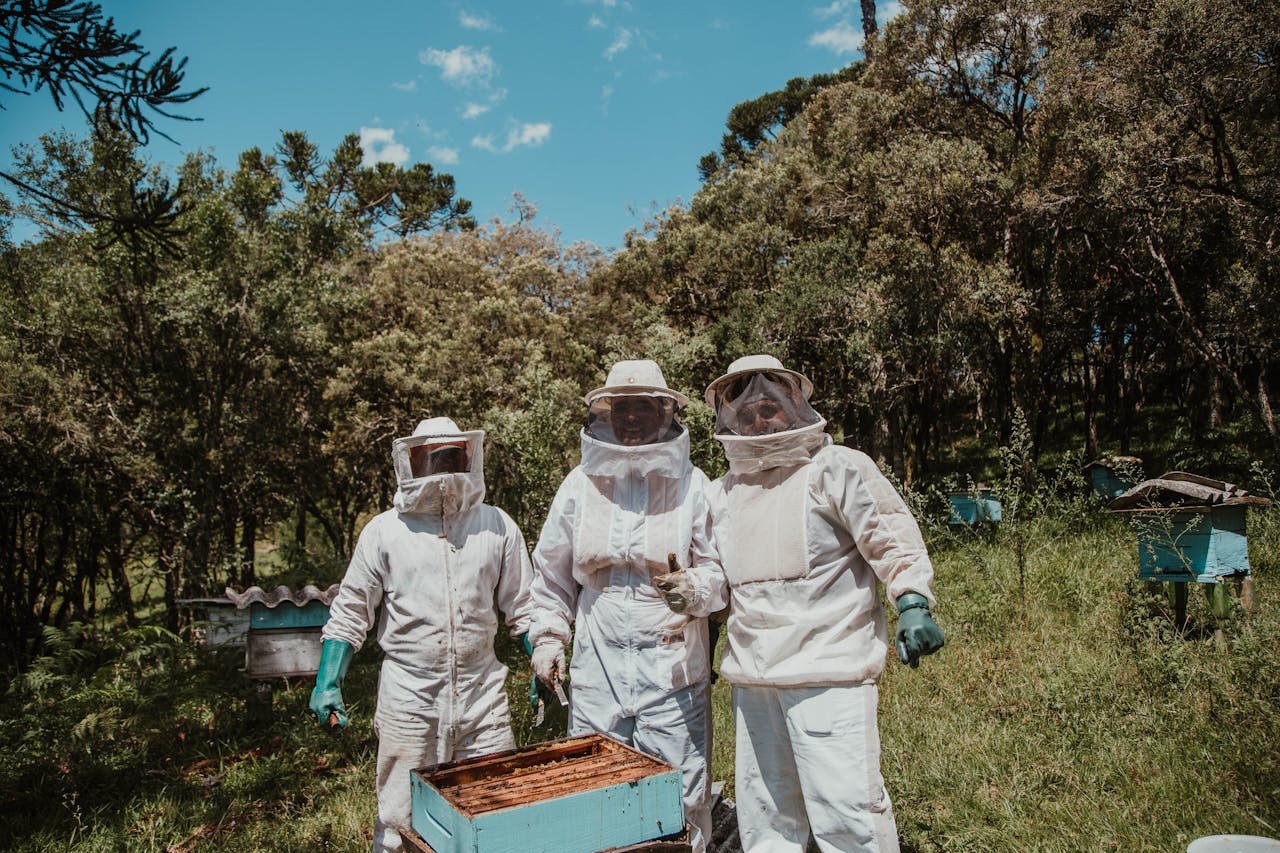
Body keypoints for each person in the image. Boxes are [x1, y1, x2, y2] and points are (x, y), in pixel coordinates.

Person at [665, 354, 944, 853]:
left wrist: (913, 599)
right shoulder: (720, 492)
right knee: (764, 817)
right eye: (746, 413)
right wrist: (694, 591)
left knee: (848, 812)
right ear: (728, 420)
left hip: (829, 670)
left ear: (795, 406)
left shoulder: (836, 468)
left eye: (769, 407)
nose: (758, 419)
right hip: (753, 678)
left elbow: (890, 537)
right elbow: (722, 580)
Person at [309, 416, 534, 853]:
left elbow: (523, 607)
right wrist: (327, 681)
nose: (444, 469)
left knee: (497, 809)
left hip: (482, 693)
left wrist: (543, 661)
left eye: (452, 457)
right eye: (433, 458)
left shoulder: (496, 525)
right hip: (408, 696)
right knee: (401, 822)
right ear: (412, 462)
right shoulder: (384, 531)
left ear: (468, 458)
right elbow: (352, 610)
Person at [527, 360, 725, 853]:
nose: (631, 417)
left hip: (673, 663)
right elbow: (551, 575)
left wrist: (695, 589)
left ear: (664, 412)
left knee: (680, 790)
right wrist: (549, 639)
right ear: (605, 415)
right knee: (594, 784)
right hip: (598, 664)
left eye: (642, 406)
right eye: (621, 407)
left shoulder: (694, 485)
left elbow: (722, 573)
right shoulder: (579, 485)